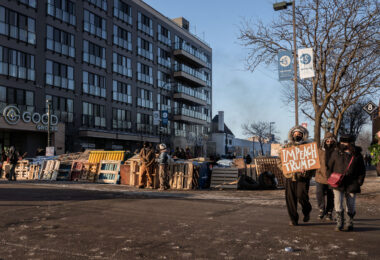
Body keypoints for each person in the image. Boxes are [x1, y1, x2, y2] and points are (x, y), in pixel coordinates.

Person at [327, 134, 366, 231]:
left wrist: (359, 181)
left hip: (352, 183)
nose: (345, 144)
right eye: (343, 142)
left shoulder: (357, 154)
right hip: (338, 182)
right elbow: (329, 167)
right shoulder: (336, 153)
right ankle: (340, 222)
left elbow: (362, 170)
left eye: (347, 142)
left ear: (351, 143)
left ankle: (350, 221)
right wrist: (330, 178)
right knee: (338, 201)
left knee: (351, 204)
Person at [283, 125, 313, 226]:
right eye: (295, 134)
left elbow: (313, 163)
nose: (297, 135)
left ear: (303, 135)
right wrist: (286, 169)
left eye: (299, 134)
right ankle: (293, 219)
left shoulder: (308, 147)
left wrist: (307, 170)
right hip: (290, 176)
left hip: (303, 177)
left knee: (302, 196)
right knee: (290, 199)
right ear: (292, 135)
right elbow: (280, 161)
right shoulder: (286, 147)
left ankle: (306, 211)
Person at [315, 132, 336, 221]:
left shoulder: (337, 151)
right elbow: (314, 161)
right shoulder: (319, 150)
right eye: (327, 140)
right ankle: (321, 209)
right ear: (324, 141)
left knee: (331, 195)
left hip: (333, 177)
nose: (329, 141)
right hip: (320, 176)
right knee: (319, 193)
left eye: (331, 140)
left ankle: (329, 212)